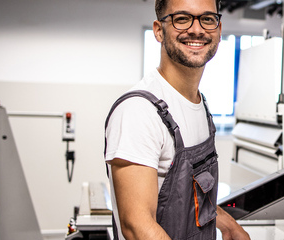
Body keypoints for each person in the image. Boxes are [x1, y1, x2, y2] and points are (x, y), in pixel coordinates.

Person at [104, 0, 250, 239]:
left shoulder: (200, 104)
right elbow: (137, 226)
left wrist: (229, 225)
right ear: (159, 30)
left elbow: (193, 194)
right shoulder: (138, 111)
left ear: (219, 30)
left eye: (207, 19)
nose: (197, 29)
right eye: (182, 18)